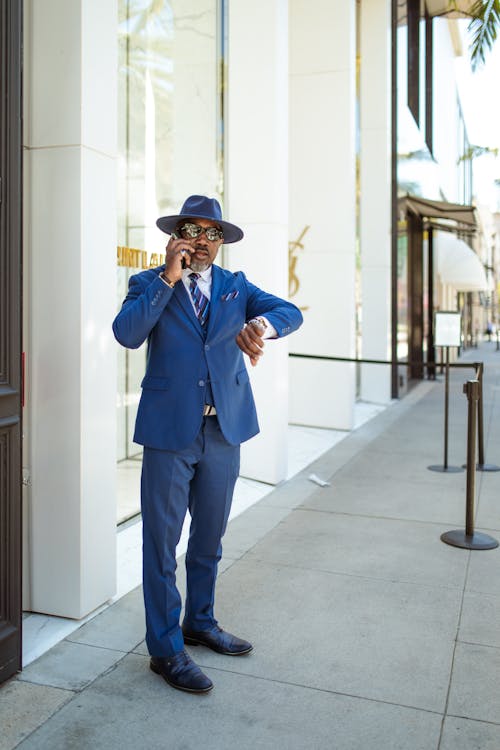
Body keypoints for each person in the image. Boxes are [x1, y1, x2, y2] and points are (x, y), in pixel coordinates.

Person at [113, 195, 303, 694]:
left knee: (209, 539)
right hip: (169, 433)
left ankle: (200, 621)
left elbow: (289, 311)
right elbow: (127, 334)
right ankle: (166, 649)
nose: (202, 241)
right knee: (161, 544)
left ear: (221, 242)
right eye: (193, 231)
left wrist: (261, 324)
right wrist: (167, 279)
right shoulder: (149, 283)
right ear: (176, 235)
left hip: (224, 430)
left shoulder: (236, 287)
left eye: (212, 233)